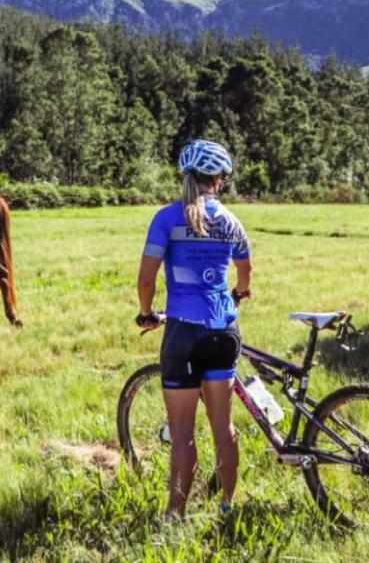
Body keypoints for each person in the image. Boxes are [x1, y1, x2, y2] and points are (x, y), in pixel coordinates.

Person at [136, 139, 253, 518]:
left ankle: (174, 516)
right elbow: (245, 271)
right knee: (224, 426)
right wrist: (238, 293)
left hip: (183, 333)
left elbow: (146, 279)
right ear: (218, 178)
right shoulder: (231, 220)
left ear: (186, 175)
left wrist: (146, 312)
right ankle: (226, 506)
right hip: (224, 330)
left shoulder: (166, 218)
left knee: (183, 434)